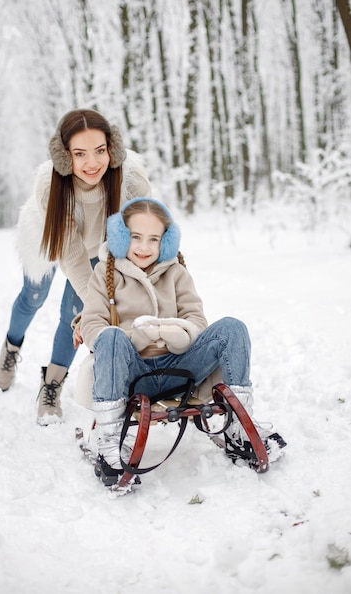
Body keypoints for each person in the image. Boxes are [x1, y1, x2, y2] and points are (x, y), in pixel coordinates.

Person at [78, 197, 286, 486]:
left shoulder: (175, 271)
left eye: (154, 239)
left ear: (165, 242)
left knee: (231, 328)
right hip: (135, 373)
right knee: (109, 336)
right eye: (136, 237)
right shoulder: (106, 273)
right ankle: (111, 439)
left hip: (180, 368)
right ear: (121, 236)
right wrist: (134, 337)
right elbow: (92, 325)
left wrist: (181, 332)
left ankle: (239, 426)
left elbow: (196, 318)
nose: (144, 247)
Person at [0, 109, 151, 425]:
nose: (92, 163)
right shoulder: (51, 188)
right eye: (80, 154)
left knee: (76, 312)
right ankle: (11, 347)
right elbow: (71, 255)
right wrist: (100, 302)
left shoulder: (130, 181)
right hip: (48, 238)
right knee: (33, 296)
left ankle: (51, 384)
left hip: (98, 245)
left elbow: (145, 235)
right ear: (65, 157)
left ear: (112, 149)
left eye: (100, 151)